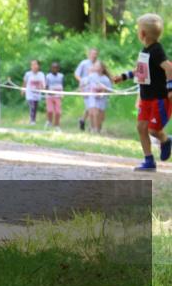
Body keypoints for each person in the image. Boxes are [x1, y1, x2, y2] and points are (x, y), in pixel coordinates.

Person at [113, 14, 172, 171]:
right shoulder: (145, 50)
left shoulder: (156, 50)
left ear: (143, 33)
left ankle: (166, 140)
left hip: (158, 98)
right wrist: (124, 76)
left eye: (138, 29)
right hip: (146, 98)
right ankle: (149, 160)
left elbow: (169, 68)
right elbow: (140, 70)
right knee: (141, 127)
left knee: (153, 130)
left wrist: (170, 88)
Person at [74, 47, 99, 132]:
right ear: (89, 54)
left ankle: (82, 120)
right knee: (90, 106)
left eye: (96, 54)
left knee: (93, 106)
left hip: (95, 88)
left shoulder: (98, 64)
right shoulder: (84, 63)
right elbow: (76, 74)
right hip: (86, 88)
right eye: (93, 54)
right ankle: (91, 126)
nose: (94, 56)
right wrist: (82, 82)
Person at [85, 61, 113, 134]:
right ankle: (93, 128)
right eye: (95, 66)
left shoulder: (105, 79)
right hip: (92, 97)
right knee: (92, 112)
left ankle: (98, 128)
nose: (96, 67)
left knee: (99, 114)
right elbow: (86, 84)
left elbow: (110, 90)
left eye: (97, 66)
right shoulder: (91, 76)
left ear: (102, 68)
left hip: (101, 99)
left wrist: (103, 89)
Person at [22, 60, 46, 126]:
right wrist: (23, 90)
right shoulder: (28, 74)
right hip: (30, 94)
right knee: (32, 106)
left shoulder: (41, 74)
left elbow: (43, 83)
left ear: (38, 66)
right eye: (32, 65)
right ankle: (32, 121)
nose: (34, 66)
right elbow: (24, 82)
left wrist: (44, 88)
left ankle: (33, 119)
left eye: (35, 64)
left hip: (37, 94)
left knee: (35, 107)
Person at [44, 61, 64, 129]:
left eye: (56, 68)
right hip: (50, 96)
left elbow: (62, 85)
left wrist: (62, 93)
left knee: (58, 112)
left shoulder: (61, 76)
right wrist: (49, 92)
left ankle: (57, 125)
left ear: (58, 69)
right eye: (53, 68)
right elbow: (46, 86)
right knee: (50, 110)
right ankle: (49, 121)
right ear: (51, 68)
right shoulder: (48, 76)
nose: (55, 69)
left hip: (58, 96)